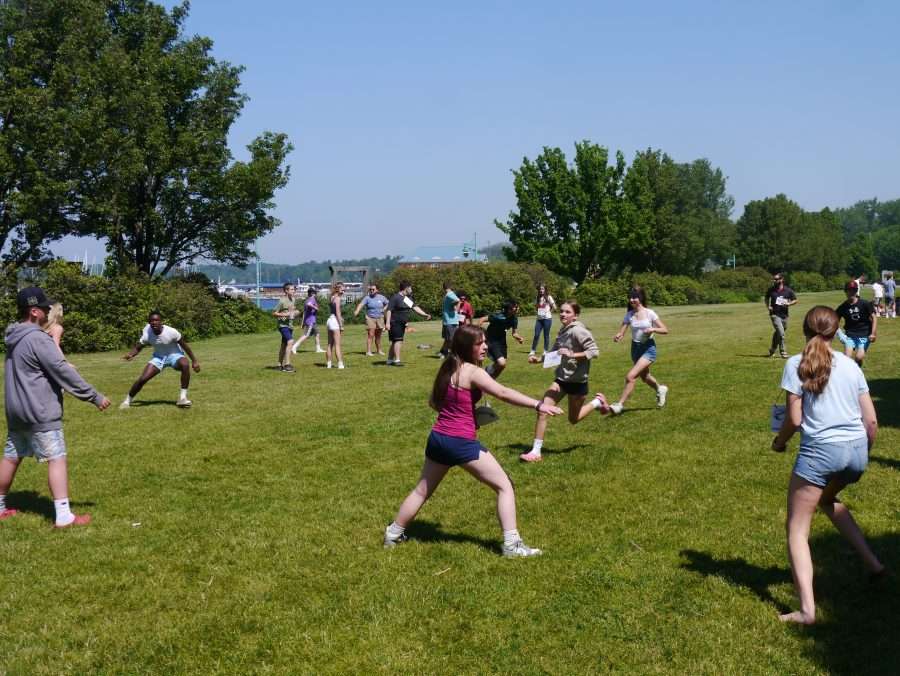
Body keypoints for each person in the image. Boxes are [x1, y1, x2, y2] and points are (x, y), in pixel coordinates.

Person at [383, 324, 563, 557]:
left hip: (438, 438)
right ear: (466, 346)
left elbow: (435, 403)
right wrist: (539, 404)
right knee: (504, 486)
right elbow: (504, 393)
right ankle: (512, 545)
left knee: (421, 491)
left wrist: (466, 413)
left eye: (485, 341)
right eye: (480, 343)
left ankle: (393, 533)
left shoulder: (448, 367)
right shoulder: (472, 371)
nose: (485, 347)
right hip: (460, 441)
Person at [772, 306, 884, 624]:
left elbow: (794, 420)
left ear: (804, 330)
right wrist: (863, 452)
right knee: (827, 500)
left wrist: (779, 444)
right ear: (838, 332)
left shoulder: (796, 363)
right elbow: (871, 421)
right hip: (857, 454)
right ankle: (874, 564)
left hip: (820, 453)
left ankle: (807, 611)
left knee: (796, 530)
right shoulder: (851, 366)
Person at [0, 286, 111, 527]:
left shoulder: (13, 337)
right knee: (56, 458)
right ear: (34, 311)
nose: (49, 310)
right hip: (39, 411)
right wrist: (93, 396)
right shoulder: (37, 339)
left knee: (11, 458)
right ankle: (64, 516)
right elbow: (61, 370)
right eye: (44, 307)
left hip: (16, 412)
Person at [520, 301, 608, 463]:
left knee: (573, 420)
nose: (563, 314)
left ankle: (597, 402)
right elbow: (554, 352)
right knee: (542, 410)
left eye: (567, 312)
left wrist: (572, 354)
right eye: (561, 311)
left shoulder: (578, 331)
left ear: (575, 315)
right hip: (561, 380)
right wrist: (539, 359)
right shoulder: (562, 330)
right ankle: (536, 452)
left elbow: (594, 352)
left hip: (578, 382)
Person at [121, 311, 201, 408]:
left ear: (161, 321)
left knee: (185, 364)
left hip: (174, 355)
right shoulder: (147, 333)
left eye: (156, 320)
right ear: (149, 322)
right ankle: (127, 401)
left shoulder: (171, 332)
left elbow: (185, 346)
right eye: (151, 321)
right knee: (143, 379)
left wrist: (194, 361)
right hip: (158, 358)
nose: (154, 322)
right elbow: (138, 347)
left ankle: (182, 398)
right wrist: (131, 354)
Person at [608, 286, 669, 415]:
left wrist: (653, 329)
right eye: (630, 297)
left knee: (631, 376)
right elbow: (622, 331)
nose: (631, 299)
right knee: (645, 376)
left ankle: (620, 405)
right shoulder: (629, 315)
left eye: (634, 297)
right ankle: (660, 389)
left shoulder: (650, 313)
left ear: (640, 298)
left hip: (648, 348)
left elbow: (665, 329)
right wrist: (619, 335)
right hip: (635, 349)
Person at [385, 280, 431, 366]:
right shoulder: (395, 297)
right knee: (398, 341)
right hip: (394, 322)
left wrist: (424, 314)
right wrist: (387, 323)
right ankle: (397, 360)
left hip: (402, 323)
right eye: (410, 287)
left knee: (395, 341)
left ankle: (389, 360)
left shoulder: (406, 298)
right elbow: (389, 310)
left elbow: (415, 308)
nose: (411, 289)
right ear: (406, 288)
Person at [478, 299, 524, 380]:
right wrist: (479, 332)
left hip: (502, 342)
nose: (517, 308)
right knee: (501, 363)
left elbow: (514, 333)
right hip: (492, 340)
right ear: (509, 309)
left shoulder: (514, 319)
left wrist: (519, 338)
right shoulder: (497, 316)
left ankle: (490, 382)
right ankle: (485, 372)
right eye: (515, 307)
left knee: (502, 366)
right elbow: (482, 319)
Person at [836, 281, 877, 367]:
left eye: (854, 290)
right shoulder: (843, 307)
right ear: (845, 291)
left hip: (864, 335)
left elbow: (874, 317)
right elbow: (834, 321)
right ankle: (851, 375)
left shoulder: (864, 303)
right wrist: (840, 334)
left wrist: (873, 333)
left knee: (859, 357)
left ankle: (857, 371)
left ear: (856, 291)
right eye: (849, 290)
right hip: (850, 336)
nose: (851, 292)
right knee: (846, 358)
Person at [765, 273, 797, 358]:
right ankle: (783, 352)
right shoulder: (771, 290)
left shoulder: (788, 290)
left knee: (778, 333)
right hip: (774, 314)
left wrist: (789, 303)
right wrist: (768, 306)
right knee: (781, 333)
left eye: (776, 279)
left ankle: (772, 349)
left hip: (784, 315)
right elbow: (766, 297)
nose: (774, 281)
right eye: (774, 279)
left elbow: (795, 300)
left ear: (782, 279)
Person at [354, 284, 389, 356]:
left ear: (377, 290)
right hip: (370, 318)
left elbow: (388, 303)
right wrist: (357, 311)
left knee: (378, 335)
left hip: (380, 318)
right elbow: (361, 304)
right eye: (370, 289)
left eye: (373, 289)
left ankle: (379, 350)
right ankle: (368, 351)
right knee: (371, 334)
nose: (372, 291)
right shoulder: (367, 298)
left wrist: (384, 309)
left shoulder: (382, 297)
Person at [272, 282, 298, 372]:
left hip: (290, 325)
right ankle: (287, 364)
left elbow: (293, 310)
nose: (293, 291)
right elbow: (274, 313)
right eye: (291, 289)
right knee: (290, 341)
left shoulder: (293, 299)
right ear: (286, 291)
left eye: (294, 289)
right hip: (282, 326)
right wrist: (283, 314)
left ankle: (279, 365)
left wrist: (296, 312)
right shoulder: (282, 301)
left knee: (284, 345)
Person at [292, 288, 326, 354]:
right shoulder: (311, 299)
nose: (315, 294)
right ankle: (294, 347)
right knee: (306, 335)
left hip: (312, 320)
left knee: (317, 333)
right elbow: (309, 304)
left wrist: (303, 322)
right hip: (310, 321)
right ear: (312, 293)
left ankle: (318, 348)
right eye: (315, 293)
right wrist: (315, 308)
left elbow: (305, 311)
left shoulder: (308, 300)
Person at [529, 284, 557, 358]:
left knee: (546, 335)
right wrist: (538, 312)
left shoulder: (549, 297)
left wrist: (549, 312)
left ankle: (545, 351)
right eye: (540, 289)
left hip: (547, 319)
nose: (541, 290)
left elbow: (554, 307)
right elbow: (536, 307)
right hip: (539, 320)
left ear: (545, 290)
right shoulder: (537, 297)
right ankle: (533, 350)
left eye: (543, 289)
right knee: (536, 335)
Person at [325, 282, 345, 369]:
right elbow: (337, 312)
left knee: (330, 344)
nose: (344, 290)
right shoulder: (338, 299)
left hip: (329, 320)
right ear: (338, 289)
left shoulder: (332, 297)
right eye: (342, 288)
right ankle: (340, 364)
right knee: (337, 344)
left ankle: (329, 364)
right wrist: (341, 325)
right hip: (334, 321)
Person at [438, 282, 461, 358]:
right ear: (450, 287)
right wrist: (455, 307)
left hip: (449, 321)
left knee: (449, 339)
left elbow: (457, 301)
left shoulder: (448, 295)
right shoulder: (450, 294)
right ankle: (451, 354)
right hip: (451, 321)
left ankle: (444, 353)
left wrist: (455, 307)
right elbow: (457, 300)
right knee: (450, 339)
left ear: (444, 288)